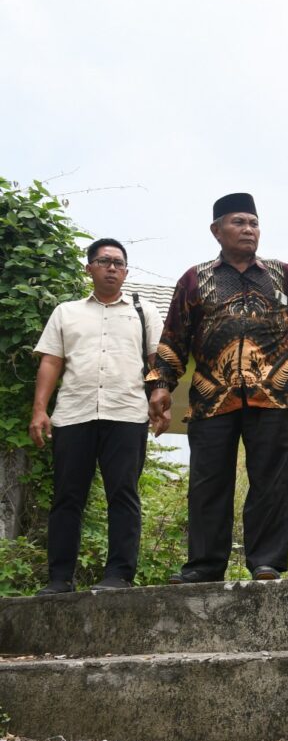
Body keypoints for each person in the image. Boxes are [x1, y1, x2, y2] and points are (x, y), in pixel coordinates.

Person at [147, 193, 288, 583]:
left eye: (253, 223)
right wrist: (162, 385)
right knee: (208, 481)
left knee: (270, 480)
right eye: (238, 222)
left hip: (272, 394)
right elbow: (174, 335)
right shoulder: (196, 278)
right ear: (216, 231)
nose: (248, 230)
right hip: (212, 395)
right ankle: (204, 565)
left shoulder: (284, 273)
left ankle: (266, 562)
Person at [30, 238, 165, 594]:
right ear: (89, 267)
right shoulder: (66, 312)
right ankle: (59, 579)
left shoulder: (143, 311)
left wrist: (160, 403)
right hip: (74, 414)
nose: (112, 268)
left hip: (127, 414)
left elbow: (157, 364)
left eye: (119, 263)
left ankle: (119, 575)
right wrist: (40, 409)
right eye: (104, 261)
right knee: (66, 497)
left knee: (123, 494)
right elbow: (51, 361)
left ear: (126, 271)